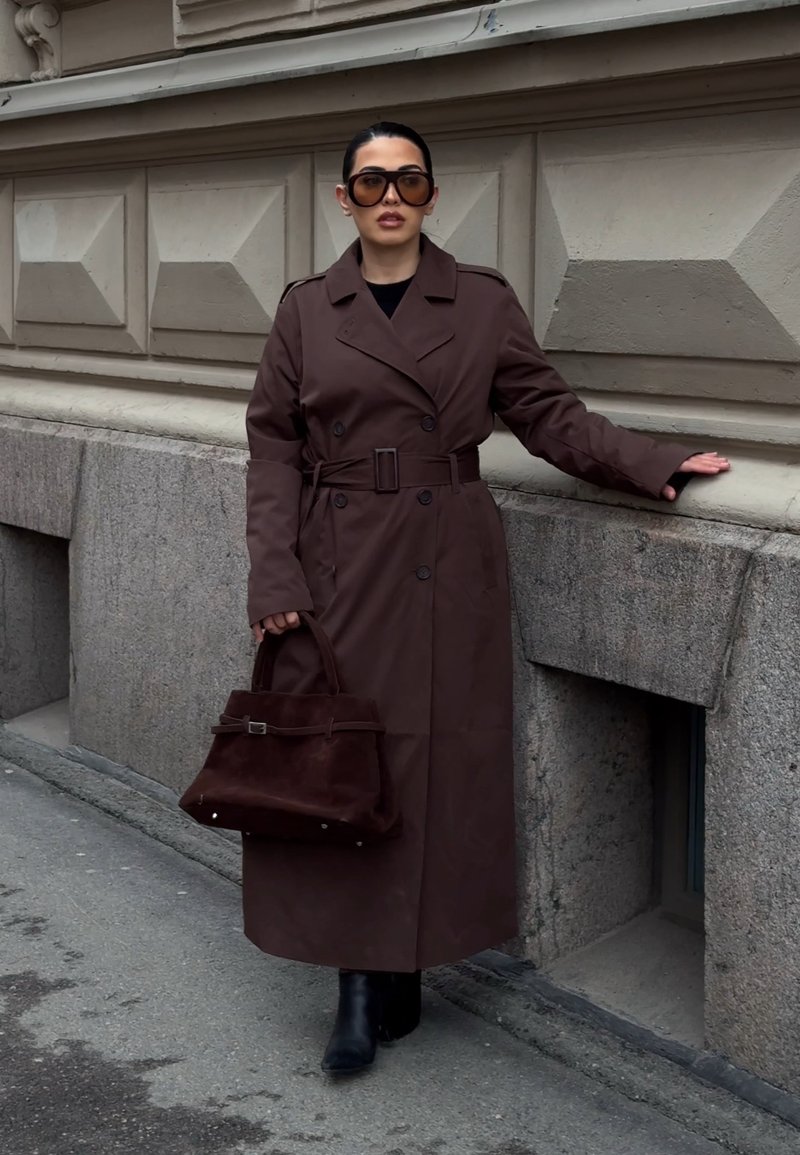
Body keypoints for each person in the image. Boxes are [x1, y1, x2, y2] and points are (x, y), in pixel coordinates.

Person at [243, 122, 730, 1076]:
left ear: (431, 195)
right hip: (339, 555)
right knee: (349, 761)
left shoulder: (479, 302)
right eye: (372, 181)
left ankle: (412, 961)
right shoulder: (307, 310)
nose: (391, 195)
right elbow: (272, 447)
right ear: (343, 200)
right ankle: (355, 981)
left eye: (410, 180)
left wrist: (653, 460)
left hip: (449, 556)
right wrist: (274, 572)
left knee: (438, 766)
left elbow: (549, 415)